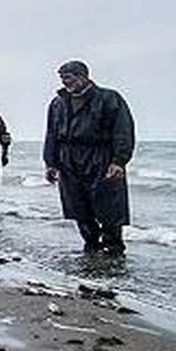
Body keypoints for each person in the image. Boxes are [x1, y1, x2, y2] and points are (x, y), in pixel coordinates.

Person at [43, 60, 135, 255]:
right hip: (68, 159)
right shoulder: (58, 103)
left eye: (68, 78)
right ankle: (91, 244)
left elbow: (123, 131)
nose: (65, 83)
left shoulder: (109, 98)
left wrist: (119, 161)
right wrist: (50, 163)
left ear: (83, 76)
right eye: (62, 79)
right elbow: (51, 133)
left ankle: (114, 248)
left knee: (108, 206)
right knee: (77, 205)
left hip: (101, 156)